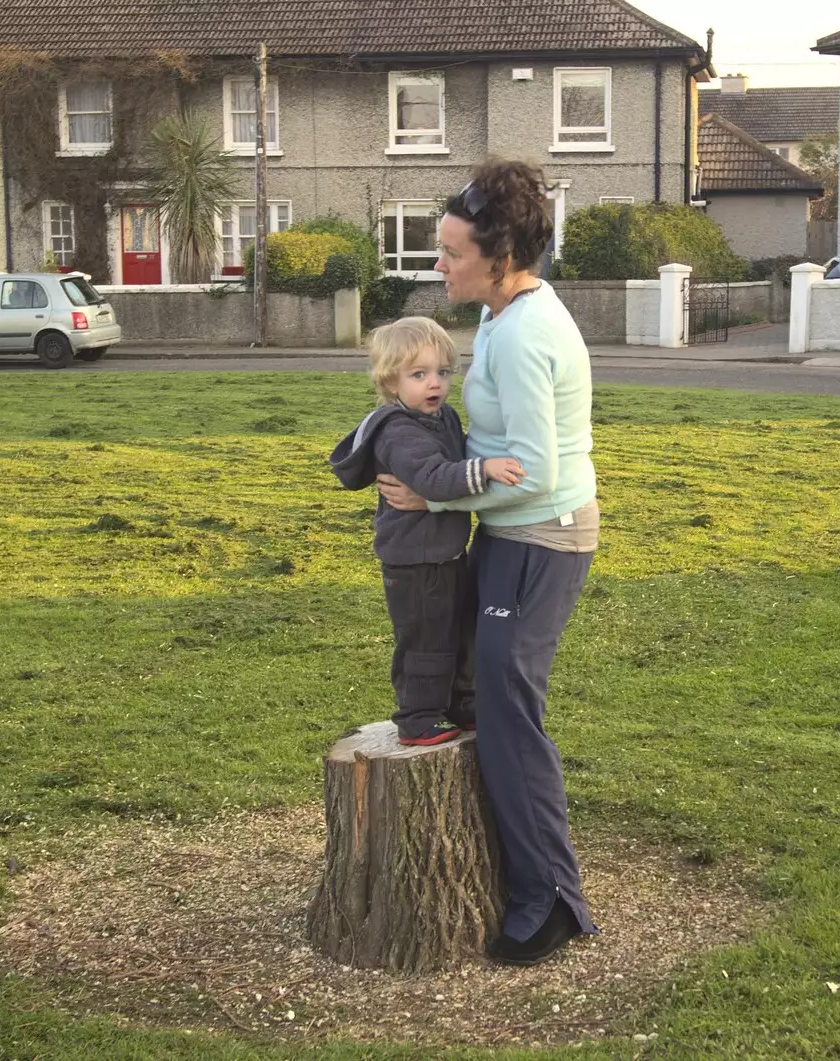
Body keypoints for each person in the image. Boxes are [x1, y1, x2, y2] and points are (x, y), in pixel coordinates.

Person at [377, 159, 600, 966]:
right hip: (509, 533)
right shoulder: (504, 318)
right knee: (478, 701)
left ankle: (550, 901)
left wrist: (435, 499)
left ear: (499, 256)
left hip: (544, 537)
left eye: (450, 252)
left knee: (509, 711)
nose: (439, 264)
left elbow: (535, 473)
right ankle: (516, 873)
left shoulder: (528, 333)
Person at [330, 316, 524, 746]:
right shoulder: (399, 432)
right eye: (418, 375)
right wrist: (485, 470)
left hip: (444, 552)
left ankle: (458, 702)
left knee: (456, 628)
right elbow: (436, 478)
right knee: (425, 637)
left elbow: (458, 456)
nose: (434, 383)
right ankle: (417, 714)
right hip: (414, 559)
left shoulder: (441, 418)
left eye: (442, 372)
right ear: (390, 382)